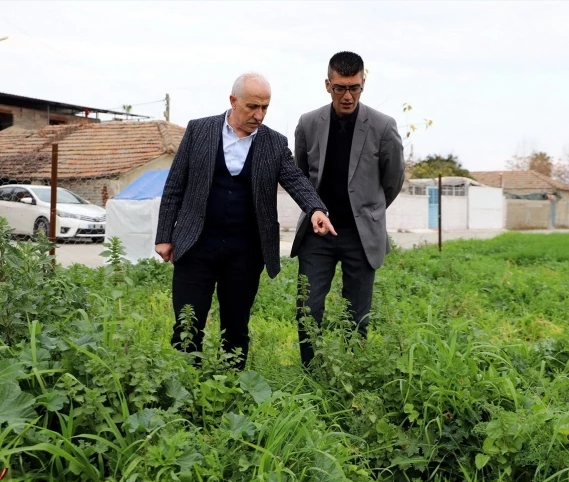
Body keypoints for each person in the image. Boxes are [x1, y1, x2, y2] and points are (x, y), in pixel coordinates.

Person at [155, 73, 336, 369]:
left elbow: (295, 180)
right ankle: (183, 390)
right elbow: (175, 184)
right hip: (196, 245)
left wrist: (316, 209)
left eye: (265, 107)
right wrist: (164, 235)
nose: (259, 115)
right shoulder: (199, 131)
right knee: (187, 324)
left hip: (245, 253)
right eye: (253, 106)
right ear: (233, 101)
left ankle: (228, 390)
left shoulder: (274, 143)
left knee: (236, 327)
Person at [291, 52, 405, 367]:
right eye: (340, 88)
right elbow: (301, 177)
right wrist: (315, 210)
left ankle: (352, 376)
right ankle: (311, 375)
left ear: (363, 85)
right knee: (307, 309)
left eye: (354, 88)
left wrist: (369, 212)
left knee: (357, 316)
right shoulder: (308, 123)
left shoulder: (383, 127)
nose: (347, 95)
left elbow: (393, 180)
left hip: (361, 236)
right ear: (328, 85)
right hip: (318, 235)